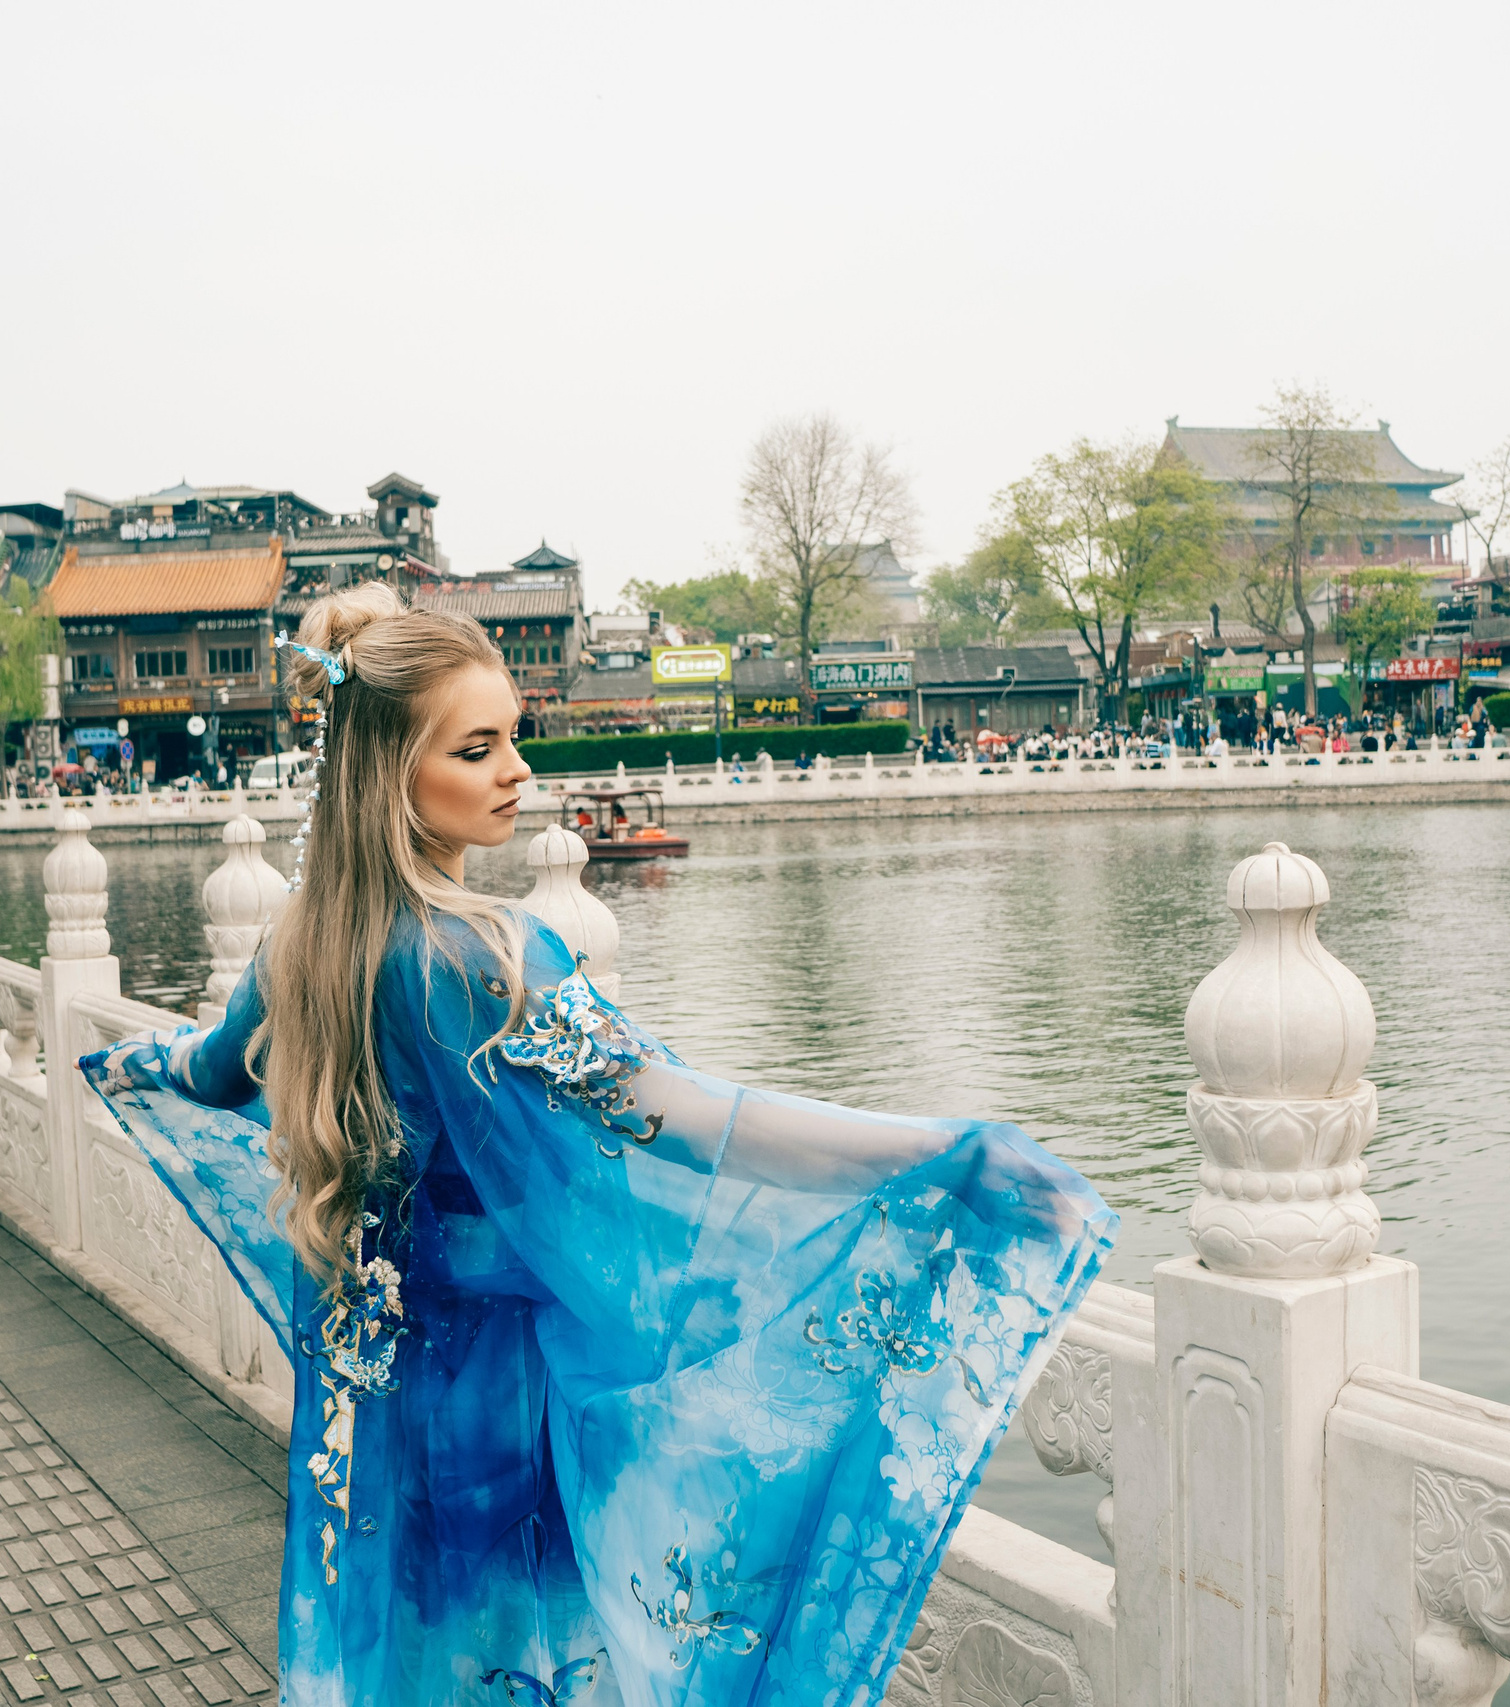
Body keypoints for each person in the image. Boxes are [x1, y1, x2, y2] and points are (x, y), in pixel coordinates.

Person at [79, 586, 1113, 1707]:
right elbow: (684, 1118)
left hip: (376, 1393)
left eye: (512, 737)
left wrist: (127, 1062)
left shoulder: (300, 941)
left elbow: (210, 1072)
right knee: (530, 1642)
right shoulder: (483, 953)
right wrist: (938, 1156)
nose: (516, 769)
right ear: (390, 774)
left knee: (412, 1643)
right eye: (476, 749)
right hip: (506, 1382)